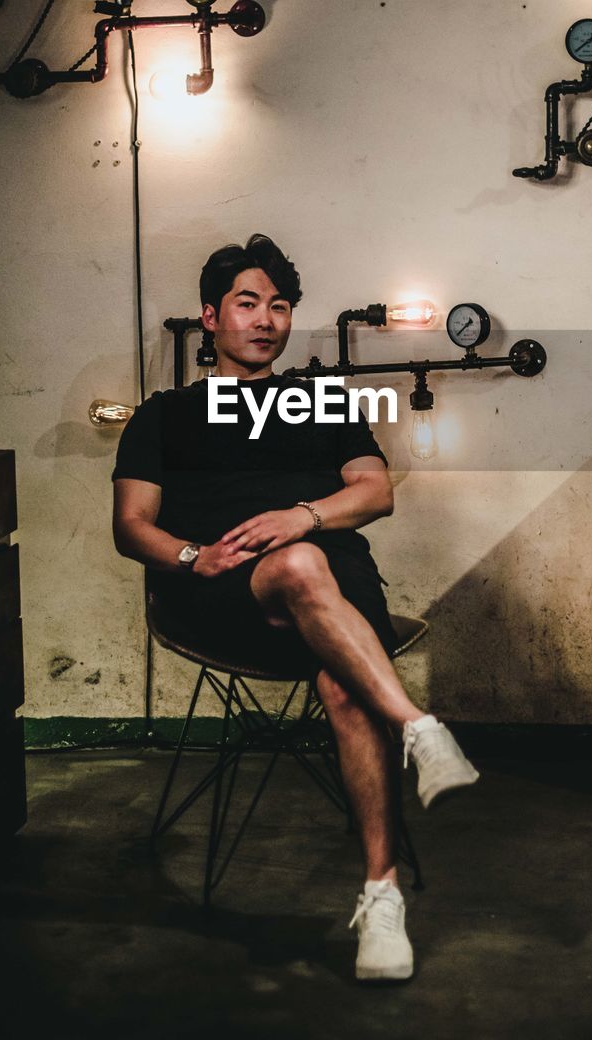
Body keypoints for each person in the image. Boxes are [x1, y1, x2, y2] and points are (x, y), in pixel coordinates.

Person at [112, 233, 479, 981]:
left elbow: (374, 490)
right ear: (210, 316)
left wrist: (301, 516)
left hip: (336, 589)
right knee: (301, 567)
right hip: (223, 592)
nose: (266, 319)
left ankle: (381, 897)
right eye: (248, 303)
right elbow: (131, 525)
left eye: (279, 306)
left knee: (343, 678)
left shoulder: (318, 399)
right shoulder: (164, 416)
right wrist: (192, 555)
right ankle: (418, 727)